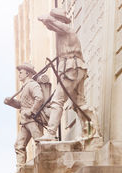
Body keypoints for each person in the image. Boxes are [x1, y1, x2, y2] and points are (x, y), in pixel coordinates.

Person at [38, 8, 100, 140]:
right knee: (79, 103)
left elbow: (49, 21)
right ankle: (91, 130)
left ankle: (50, 133)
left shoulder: (66, 29)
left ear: (59, 20)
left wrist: (46, 17)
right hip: (76, 69)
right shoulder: (62, 33)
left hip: (71, 69)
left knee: (57, 100)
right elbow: (50, 24)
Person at [4, 63, 44, 167]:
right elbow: (21, 105)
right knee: (19, 145)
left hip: (32, 120)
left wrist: (32, 111)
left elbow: (39, 98)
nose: (19, 75)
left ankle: (43, 164)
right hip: (25, 121)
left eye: (21, 72)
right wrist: (11, 102)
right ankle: (20, 170)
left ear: (27, 73)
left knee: (40, 141)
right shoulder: (23, 88)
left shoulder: (32, 85)